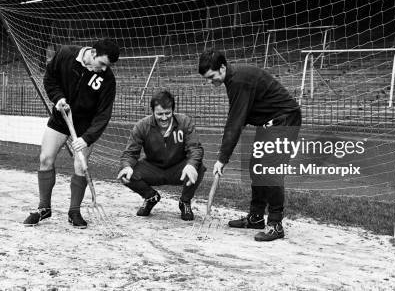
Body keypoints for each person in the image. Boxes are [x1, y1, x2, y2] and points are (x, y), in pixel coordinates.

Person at [198, 49, 301, 241]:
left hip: (284, 120)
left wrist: (222, 158)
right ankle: (255, 218)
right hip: (269, 121)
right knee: (257, 166)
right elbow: (239, 118)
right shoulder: (233, 79)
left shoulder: (238, 80)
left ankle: (276, 224)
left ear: (222, 67)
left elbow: (235, 123)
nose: (209, 82)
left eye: (211, 77)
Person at [23, 38, 120, 228]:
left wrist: (86, 138)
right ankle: (44, 208)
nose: (103, 69)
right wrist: (58, 97)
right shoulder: (65, 54)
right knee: (45, 158)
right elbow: (50, 78)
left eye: (107, 66)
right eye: (101, 64)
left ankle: (74, 211)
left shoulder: (107, 79)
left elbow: (103, 115)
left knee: (80, 166)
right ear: (92, 53)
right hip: (62, 116)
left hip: (85, 126)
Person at [117, 90, 206, 221]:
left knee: (199, 166)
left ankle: (185, 202)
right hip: (153, 168)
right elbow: (130, 153)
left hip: (178, 168)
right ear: (152, 111)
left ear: (173, 111)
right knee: (125, 172)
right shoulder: (142, 126)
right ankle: (150, 197)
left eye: (167, 113)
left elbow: (195, 148)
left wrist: (191, 165)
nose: (164, 118)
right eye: (159, 114)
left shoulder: (185, 122)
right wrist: (127, 166)